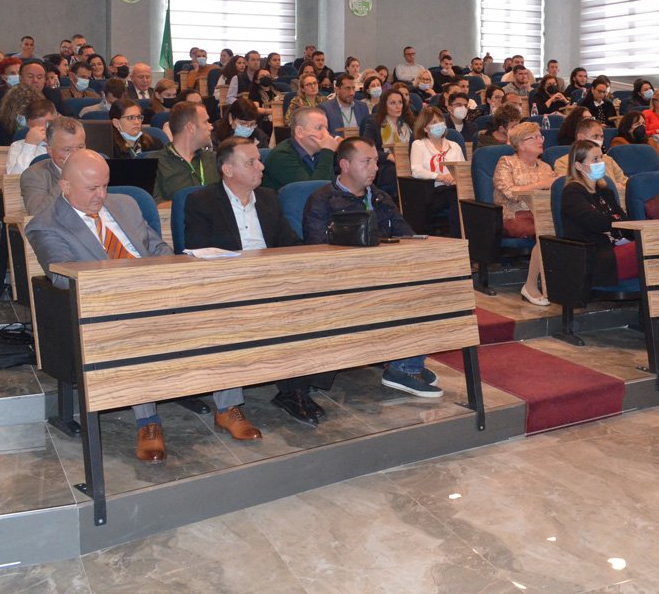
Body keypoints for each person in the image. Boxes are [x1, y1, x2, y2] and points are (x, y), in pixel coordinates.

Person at [25, 150, 261, 462]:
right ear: (65, 186)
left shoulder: (125, 205)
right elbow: (62, 276)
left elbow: (156, 247)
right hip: (109, 306)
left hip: (159, 289)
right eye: (92, 188)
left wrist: (166, 277)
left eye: (105, 185)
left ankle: (228, 407)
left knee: (216, 313)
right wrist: (131, 285)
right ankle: (148, 422)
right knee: (138, 328)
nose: (101, 195)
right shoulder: (46, 224)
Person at [182, 137, 330, 426]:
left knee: (316, 302)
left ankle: (295, 389)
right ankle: (241, 403)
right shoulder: (202, 202)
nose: (261, 166)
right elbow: (199, 255)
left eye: (259, 160)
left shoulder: (268, 198)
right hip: (230, 285)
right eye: (251, 162)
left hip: (273, 279)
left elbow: (289, 243)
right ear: (227, 170)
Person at [303, 138, 443, 397]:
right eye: (366, 161)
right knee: (403, 297)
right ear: (345, 165)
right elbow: (317, 249)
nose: (375, 168)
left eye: (376, 162)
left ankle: (405, 362)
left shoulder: (379, 197)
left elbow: (405, 234)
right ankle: (403, 367)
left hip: (385, 274)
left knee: (428, 287)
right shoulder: (323, 200)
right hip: (345, 279)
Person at [559, 140, 659, 355]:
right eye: (594, 160)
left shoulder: (605, 191)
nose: (600, 163)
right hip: (596, 259)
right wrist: (613, 225)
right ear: (578, 165)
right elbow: (596, 222)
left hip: (616, 250)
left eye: (601, 158)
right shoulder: (572, 192)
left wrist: (612, 226)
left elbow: (623, 222)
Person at [493, 122, 557, 305]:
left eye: (540, 136)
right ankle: (530, 286)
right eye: (534, 137)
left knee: (562, 226)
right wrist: (541, 185)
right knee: (546, 231)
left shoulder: (546, 167)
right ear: (520, 144)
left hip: (541, 214)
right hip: (513, 215)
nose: (540, 140)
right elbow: (509, 192)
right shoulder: (507, 162)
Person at [151, 100, 220, 202]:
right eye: (206, 122)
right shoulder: (152, 163)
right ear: (190, 128)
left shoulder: (215, 159)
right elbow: (152, 206)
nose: (211, 127)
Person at [410, 106, 463, 236]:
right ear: (424, 128)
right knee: (454, 196)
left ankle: (462, 237)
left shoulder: (454, 146)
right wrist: (439, 177)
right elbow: (416, 170)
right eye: (434, 122)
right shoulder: (418, 145)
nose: (438, 124)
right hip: (432, 191)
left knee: (458, 196)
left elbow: (463, 169)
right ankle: (456, 238)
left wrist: (454, 177)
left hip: (455, 188)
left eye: (440, 121)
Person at [20, 116, 86, 217]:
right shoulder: (34, 175)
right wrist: (66, 178)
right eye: (67, 149)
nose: (75, 154)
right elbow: (37, 214)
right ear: (50, 150)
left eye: (80, 147)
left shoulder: (97, 168)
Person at [263, 105, 340, 190]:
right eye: (319, 128)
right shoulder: (282, 156)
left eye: (326, 128)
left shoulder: (318, 153)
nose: (326, 134)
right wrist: (327, 152)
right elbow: (313, 191)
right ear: (299, 132)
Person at [552, 118, 628, 198]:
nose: (600, 140)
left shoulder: (609, 160)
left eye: (602, 137)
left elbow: (625, 183)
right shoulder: (563, 162)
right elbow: (569, 187)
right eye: (595, 136)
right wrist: (612, 186)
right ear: (581, 138)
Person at [6, 98, 57, 175]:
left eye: (48, 125)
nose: (45, 132)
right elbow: (16, 177)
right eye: (36, 129)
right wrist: (29, 146)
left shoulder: (68, 142)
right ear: (28, 126)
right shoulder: (18, 147)